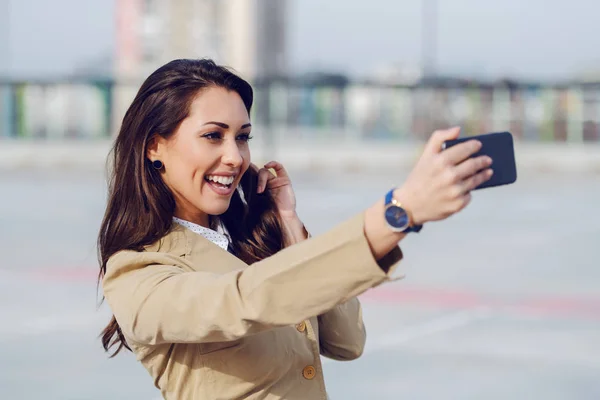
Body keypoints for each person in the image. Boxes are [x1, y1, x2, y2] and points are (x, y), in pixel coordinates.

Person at [98, 58, 493, 400]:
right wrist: (396, 213)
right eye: (212, 136)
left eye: (243, 137)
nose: (234, 157)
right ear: (154, 147)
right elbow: (243, 300)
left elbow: (347, 341)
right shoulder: (137, 271)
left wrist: (290, 226)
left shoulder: (251, 240)